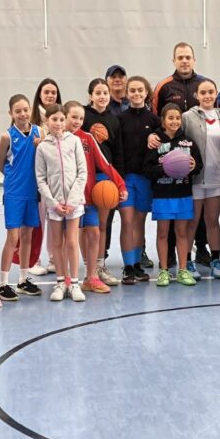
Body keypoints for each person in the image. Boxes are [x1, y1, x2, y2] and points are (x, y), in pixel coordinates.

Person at [65, 101, 128, 291]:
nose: (77, 121)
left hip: (88, 197)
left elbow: (105, 164)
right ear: (65, 117)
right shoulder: (58, 139)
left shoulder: (88, 139)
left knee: (93, 233)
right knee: (69, 239)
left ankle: (91, 277)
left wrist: (120, 185)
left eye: (81, 118)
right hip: (67, 199)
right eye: (73, 117)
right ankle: (67, 278)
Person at [143, 104, 203, 287]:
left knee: (182, 233)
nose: (174, 121)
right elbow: (146, 169)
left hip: (183, 194)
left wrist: (193, 167)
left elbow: (198, 166)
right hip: (162, 195)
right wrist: (165, 168)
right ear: (163, 120)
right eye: (170, 118)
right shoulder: (155, 143)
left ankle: (183, 270)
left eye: (177, 118)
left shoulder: (189, 142)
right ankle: (163, 270)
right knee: (163, 233)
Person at [35, 104, 88, 302]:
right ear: (46, 121)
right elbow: (41, 179)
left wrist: (73, 201)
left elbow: (82, 172)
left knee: (72, 242)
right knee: (57, 243)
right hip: (54, 204)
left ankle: (74, 283)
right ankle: (60, 282)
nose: (57, 123)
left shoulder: (74, 142)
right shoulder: (42, 147)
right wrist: (54, 203)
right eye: (53, 119)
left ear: (65, 120)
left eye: (60, 119)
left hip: (74, 204)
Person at [0, 94, 43, 301]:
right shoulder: (7, 136)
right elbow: (0, 165)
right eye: (18, 111)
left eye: (25, 109)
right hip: (14, 193)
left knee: (27, 236)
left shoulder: (40, 132)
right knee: (13, 237)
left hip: (33, 192)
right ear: (11, 114)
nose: (23, 114)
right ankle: (2, 283)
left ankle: (23, 279)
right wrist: (15, 180)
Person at [183, 79, 220, 280]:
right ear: (197, 95)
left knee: (213, 221)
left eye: (211, 92)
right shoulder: (188, 117)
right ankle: (188, 262)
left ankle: (216, 260)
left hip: (216, 177)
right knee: (192, 223)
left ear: (216, 93)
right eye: (203, 92)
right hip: (195, 178)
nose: (208, 96)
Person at [82, 78, 125, 286]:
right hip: (84, 176)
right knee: (83, 225)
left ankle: (99, 265)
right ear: (90, 95)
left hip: (105, 177)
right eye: (98, 93)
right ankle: (85, 267)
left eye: (105, 93)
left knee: (102, 224)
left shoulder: (114, 119)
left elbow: (118, 153)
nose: (102, 96)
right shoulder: (83, 116)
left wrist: (119, 181)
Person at [118, 76, 161, 281]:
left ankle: (136, 264)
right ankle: (127, 266)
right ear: (127, 93)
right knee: (127, 221)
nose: (136, 94)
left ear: (146, 93)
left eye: (140, 90)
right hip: (125, 178)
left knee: (139, 222)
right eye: (132, 90)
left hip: (145, 179)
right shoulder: (120, 119)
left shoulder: (154, 121)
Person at [28, 78, 63, 275]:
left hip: (57, 180)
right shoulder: (31, 120)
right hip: (37, 180)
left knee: (55, 221)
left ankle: (53, 258)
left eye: (53, 92)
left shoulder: (61, 119)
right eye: (46, 92)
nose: (50, 95)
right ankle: (34, 260)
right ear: (39, 95)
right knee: (38, 221)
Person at [152, 42, 206, 114]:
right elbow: (155, 116)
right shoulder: (163, 86)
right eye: (180, 58)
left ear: (194, 61)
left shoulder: (205, 84)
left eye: (188, 57)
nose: (184, 61)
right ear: (174, 61)